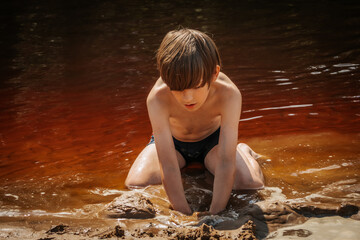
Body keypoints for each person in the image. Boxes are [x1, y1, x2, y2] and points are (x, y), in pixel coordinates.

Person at [125, 28, 264, 215]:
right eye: (177, 88)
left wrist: (216, 212)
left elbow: (225, 161)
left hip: (213, 142)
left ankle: (243, 150)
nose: (187, 97)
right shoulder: (157, 97)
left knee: (250, 184)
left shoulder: (229, 93)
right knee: (135, 184)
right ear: (165, 78)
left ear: (213, 74)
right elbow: (168, 164)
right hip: (174, 144)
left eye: (196, 86)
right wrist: (183, 213)